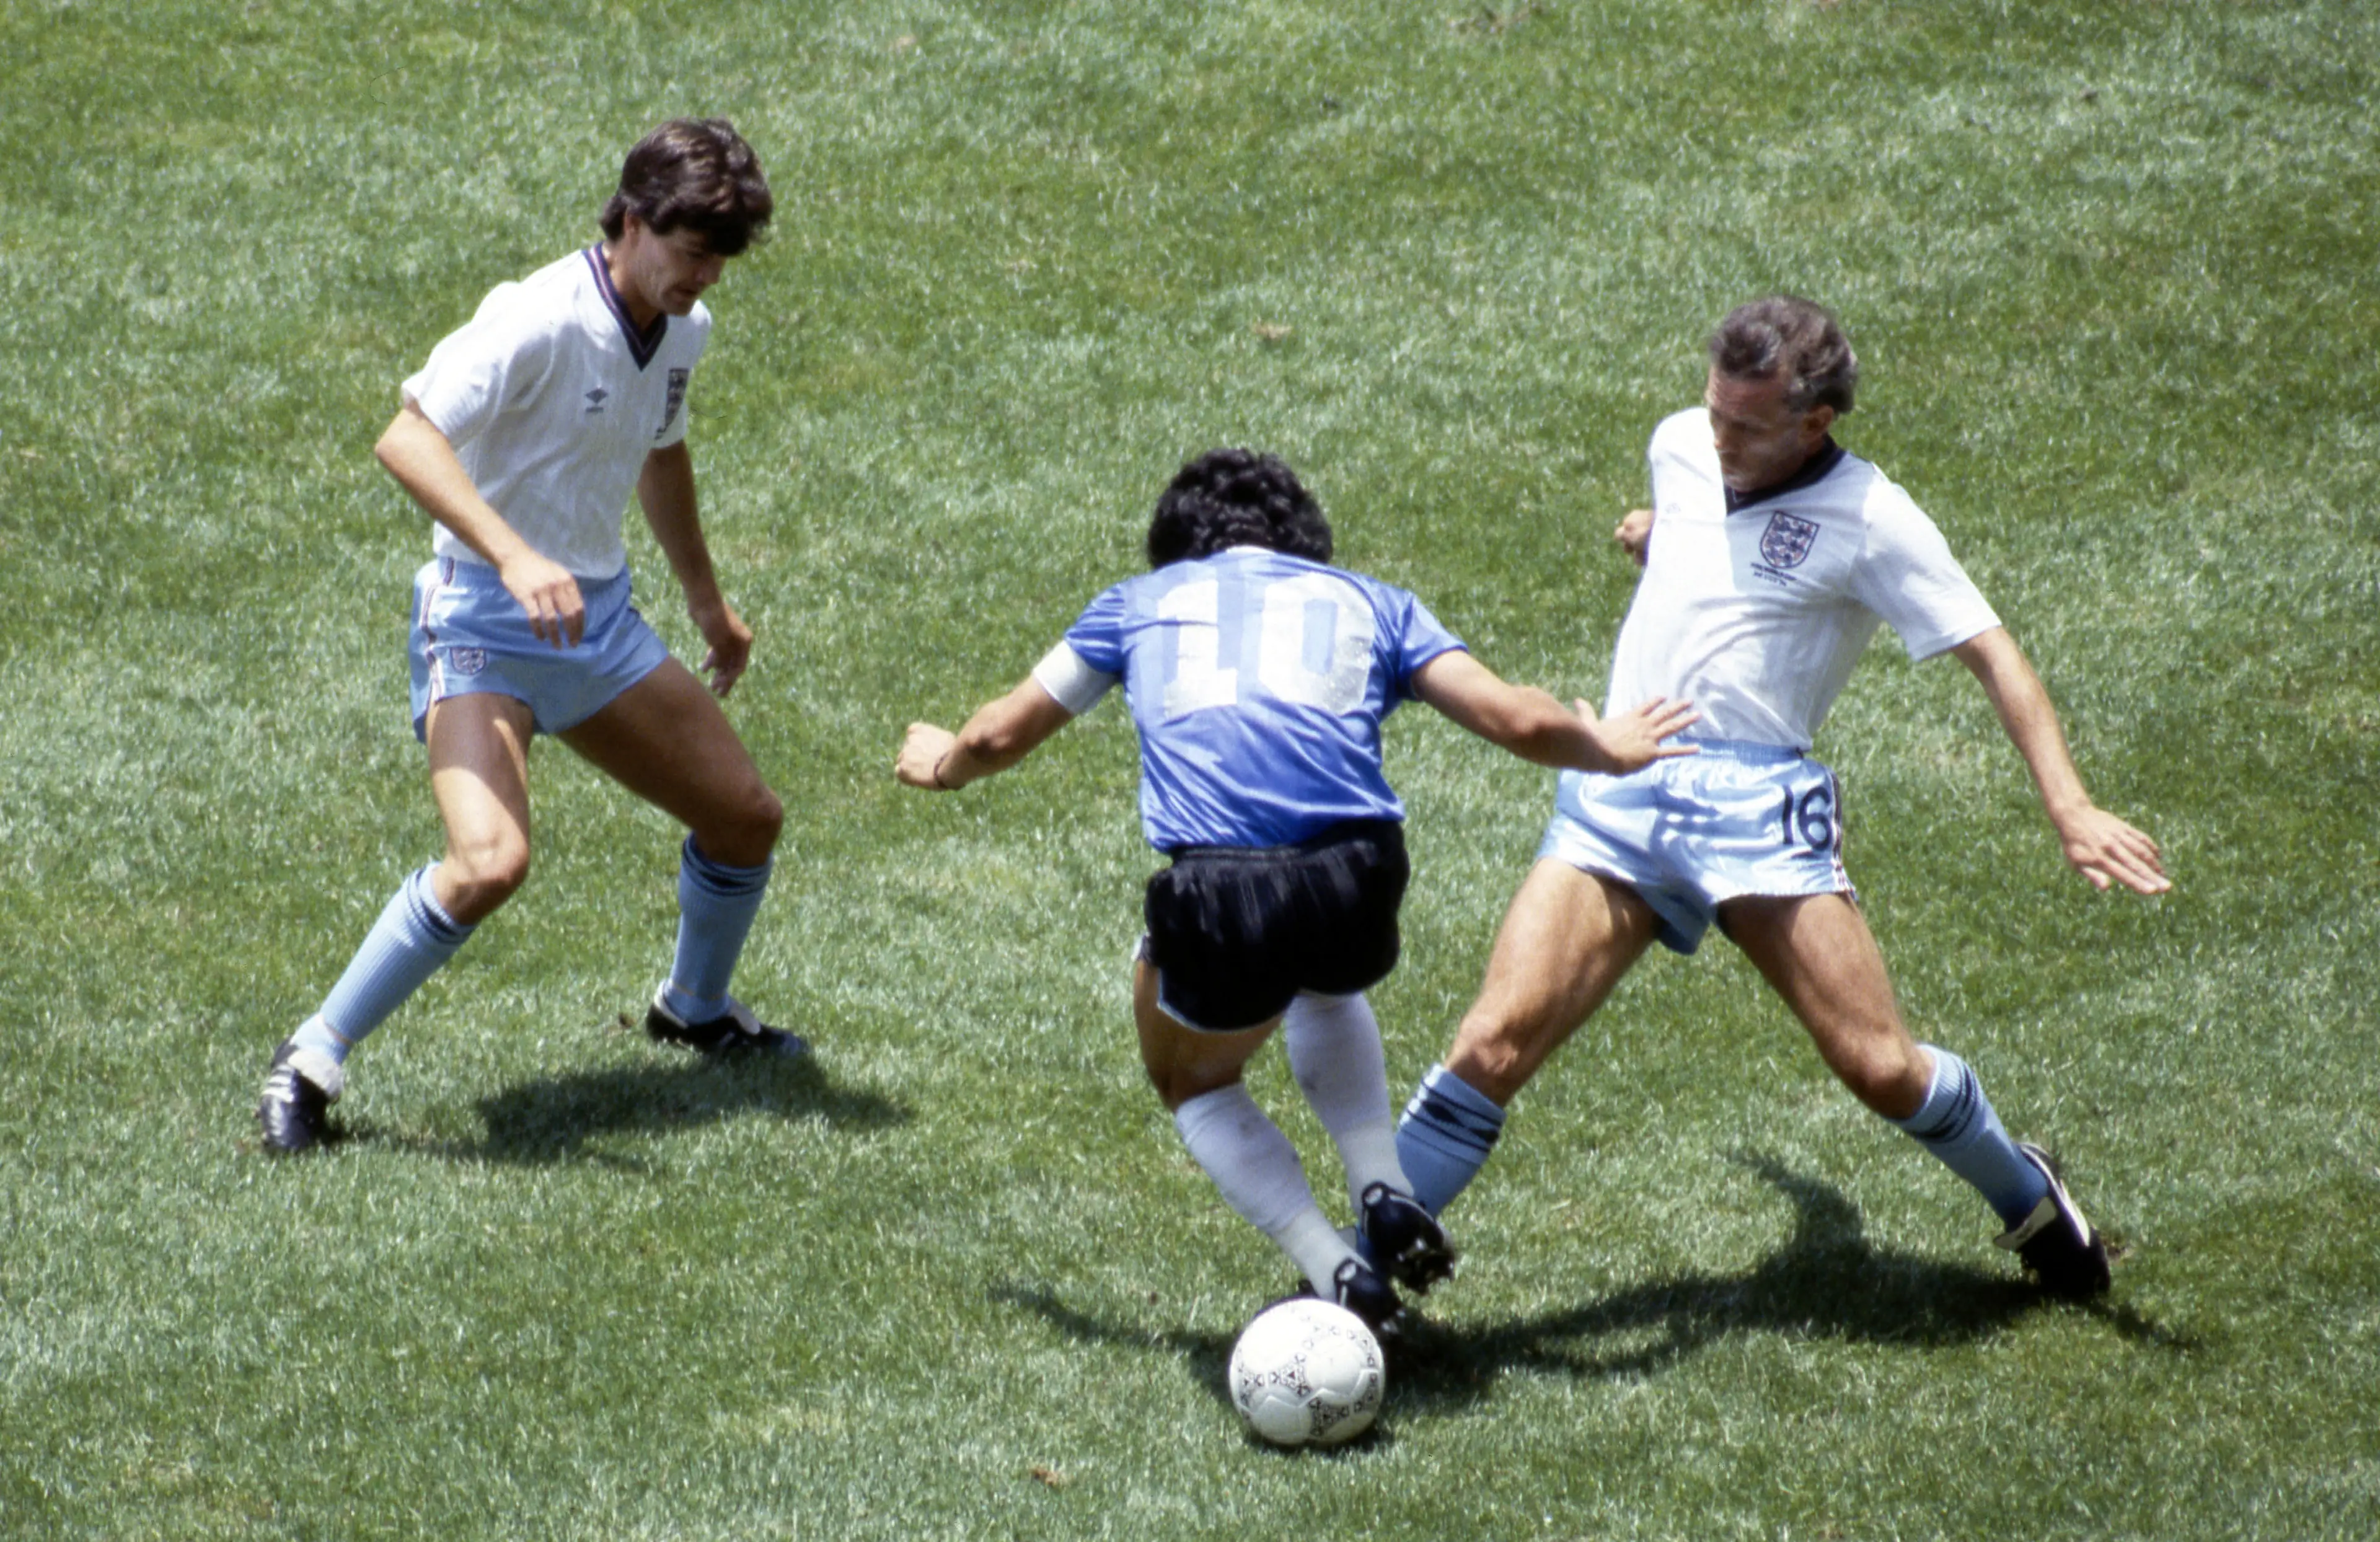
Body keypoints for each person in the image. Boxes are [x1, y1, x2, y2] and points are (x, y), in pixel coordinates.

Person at [1393, 297, 2171, 1298]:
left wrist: (2069, 805)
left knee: (1879, 1067)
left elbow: (1995, 655)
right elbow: (1702, 539)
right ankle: (1353, 1274)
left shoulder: (1874, 520)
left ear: (1817, 421)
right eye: (1713, 413)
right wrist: (1658, 532)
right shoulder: (1683, 445)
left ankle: (2026, 1194)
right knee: (1493, 1041)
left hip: (1756, 814)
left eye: (1746, 427)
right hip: (1621, 788)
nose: (1717, 441)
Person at [895, 449, 1699, 1331]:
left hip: (1225, 892)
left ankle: (1337, 1268)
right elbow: (1515, 715)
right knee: (1325, 983)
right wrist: (1604, 746)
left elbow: (1000, 733)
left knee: (1195, 1086)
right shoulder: (1376, 601)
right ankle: (1385, 1187)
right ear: (1303, 537)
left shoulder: (1133, 606)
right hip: (1361, 874)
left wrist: (945, 765)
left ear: (1178, 544)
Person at [257, 118, 802, 1155]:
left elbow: (662, 452)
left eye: (720, 262)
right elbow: (405, 434)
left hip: (596, 629)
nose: (705, 279)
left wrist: (706, 601)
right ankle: (310, 1060)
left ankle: (693, 1007)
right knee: (490, 859)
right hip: (481, 624)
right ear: (633, 222)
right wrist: (513, 555)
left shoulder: (682, 329)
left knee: (746, 819)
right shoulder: (536, 319)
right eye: (691, 254)